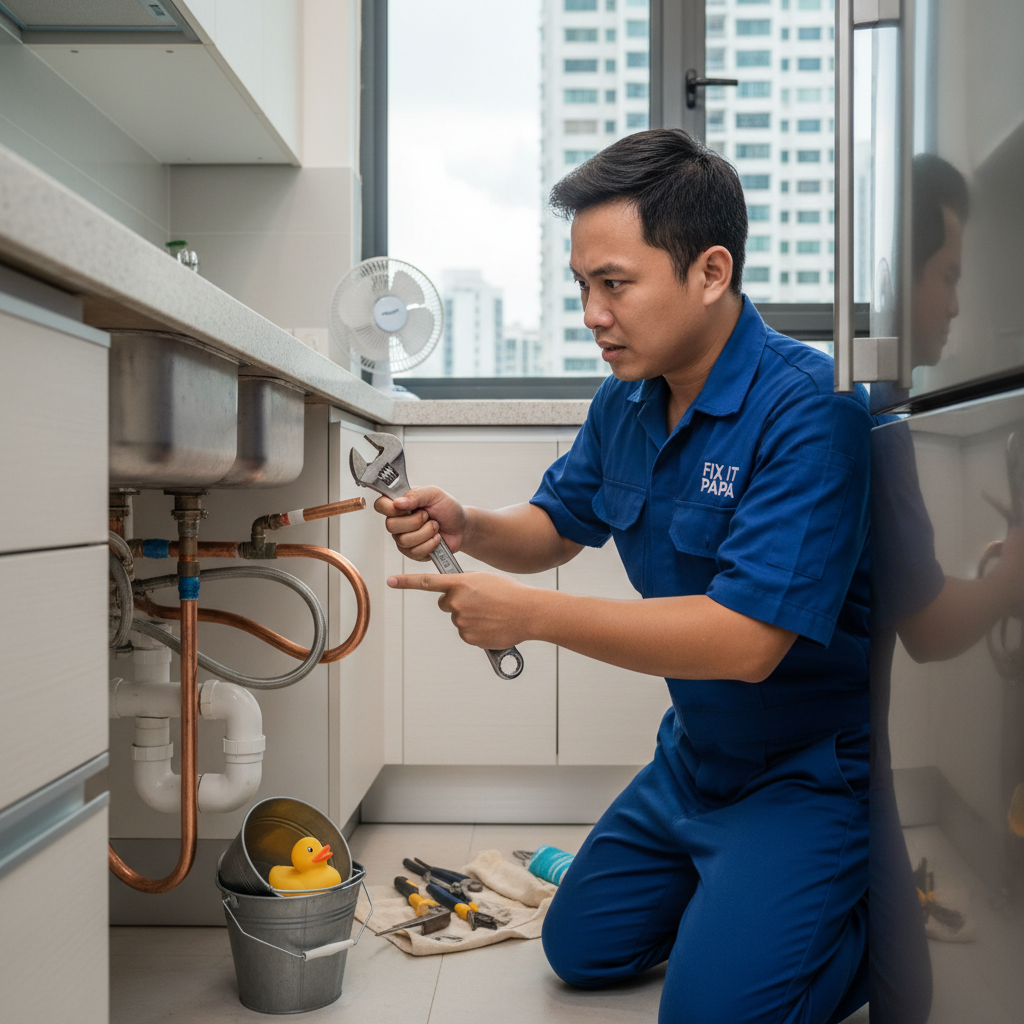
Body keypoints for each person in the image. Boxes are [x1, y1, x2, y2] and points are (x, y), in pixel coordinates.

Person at [374, 129, 871, 1024]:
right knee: (581, 951)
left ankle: (852, 910)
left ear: (711, 272)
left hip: (803, 771)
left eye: (615, 284)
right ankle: (732, 900)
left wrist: (530, 617)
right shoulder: (627, 399)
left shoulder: (809, 410)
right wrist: (470, 526)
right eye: (582, 287)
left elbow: (747, 643)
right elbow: (557, 527)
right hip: (692, 762)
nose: (593, 314)